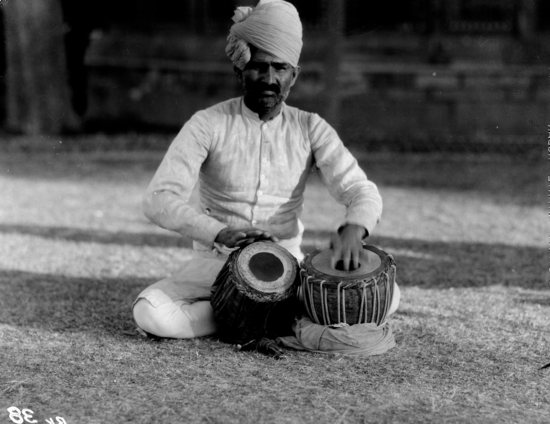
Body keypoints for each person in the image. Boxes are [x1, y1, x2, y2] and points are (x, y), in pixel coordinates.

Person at [133, 0, 400, 341]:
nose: (269, 79)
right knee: (150, 312)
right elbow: (159, 199)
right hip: (217, 262)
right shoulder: (207, 124)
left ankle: (239, 315)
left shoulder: (310, 127)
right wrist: (219, 232)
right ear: (239, 71)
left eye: (280, 68)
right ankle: (274, 316)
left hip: (289, 264)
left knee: (390, 297)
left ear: (294, 75)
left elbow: (361, 190)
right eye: (259, 67)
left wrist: (354, 228)